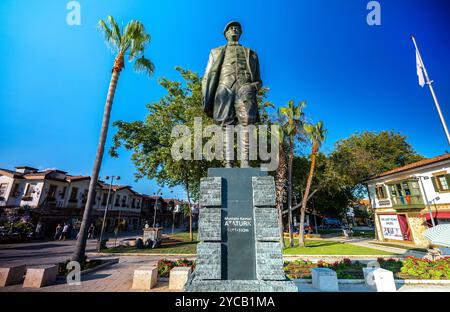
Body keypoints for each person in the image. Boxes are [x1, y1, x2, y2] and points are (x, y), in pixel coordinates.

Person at [202, 21, 262, 168]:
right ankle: (228, 162)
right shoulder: (215, 52)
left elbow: (259, 80)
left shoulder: (252, 54)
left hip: (245, 90)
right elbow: (207, 75)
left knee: (247, 125)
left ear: (240, 33)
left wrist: (252, 87)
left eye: (237, 28)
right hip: (224, 89)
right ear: (226, 34)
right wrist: (206, 98)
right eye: (230, 28)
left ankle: (245, 162)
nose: (234, 29)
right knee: (225, 126)